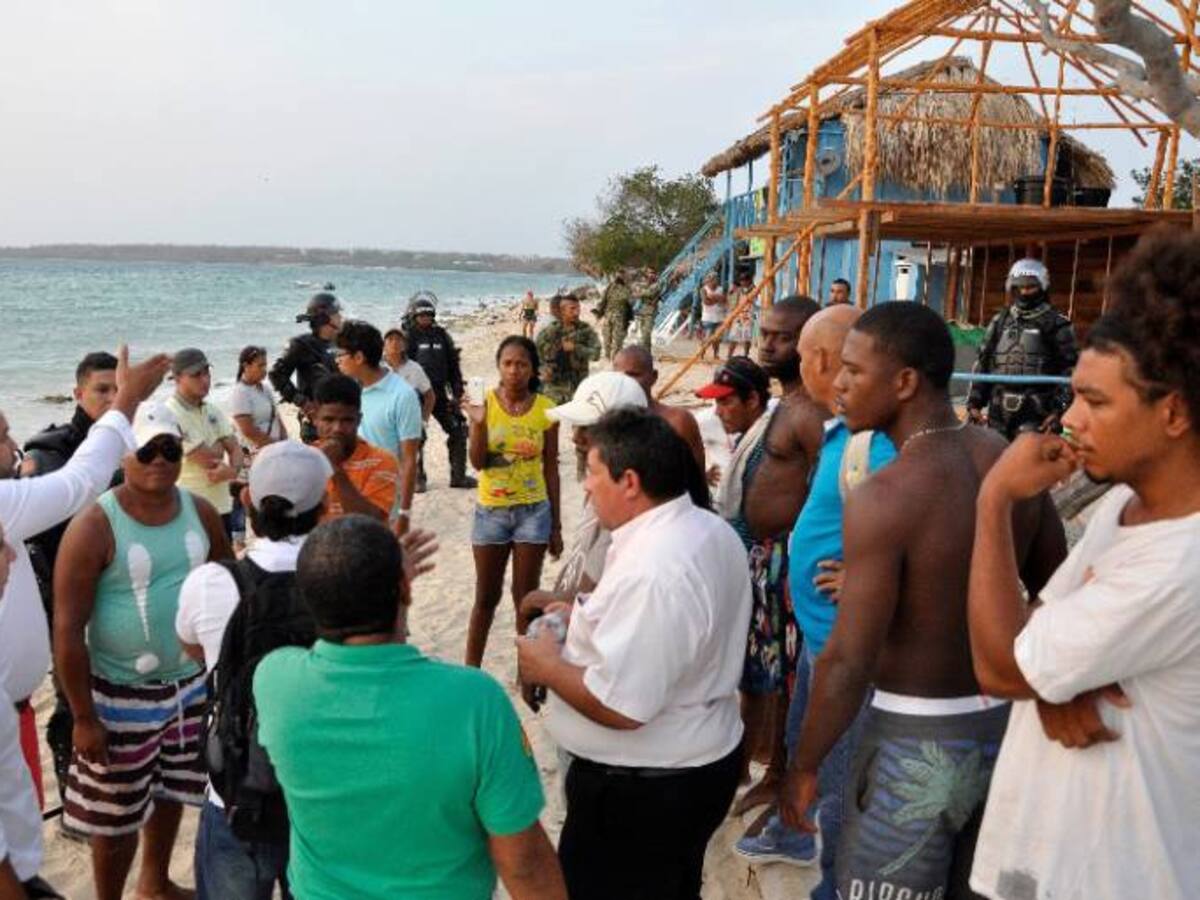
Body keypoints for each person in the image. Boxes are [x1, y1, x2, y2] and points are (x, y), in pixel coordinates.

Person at [780, 302, 1065, 900]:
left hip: (914, 736)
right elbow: (1055, 587)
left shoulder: (886, 495)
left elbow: (848, 659)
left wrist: (804, 765)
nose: (839, 385)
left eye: (855, 371)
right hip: (1004, 727)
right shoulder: (1002, 458)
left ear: (905, 382)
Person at [967, 231, 1200, 899]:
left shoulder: (1181, 561)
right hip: (1048, 863)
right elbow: (1033, 636)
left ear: (1174, 412)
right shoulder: (1126, 504)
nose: (1070, 421)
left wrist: (994, 499)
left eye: (1095, 402)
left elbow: (1001, 667)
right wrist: (1052, 682)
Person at [253, 515, 566, 899]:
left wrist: (370, 581)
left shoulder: (275, 680)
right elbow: (523, 863)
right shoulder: (474, 701)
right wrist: (387, 580)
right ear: (405, 587)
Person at [518, 409, 750, 900]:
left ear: (629, 481)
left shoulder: (656, 568)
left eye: (592, 472)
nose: (585, 487)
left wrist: (547, 667)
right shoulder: (703, 529)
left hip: (643, 794)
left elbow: (622, 707)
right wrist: (583, 614)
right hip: (686, 771)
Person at [0, 348, 169, 900]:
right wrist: (129, 399)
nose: (13, 447)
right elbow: (79, 482)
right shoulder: (27, 476)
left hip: (14, 711)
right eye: (2, 436)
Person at [737, 305, 895, 893]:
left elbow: (918, 522)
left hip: (844, 642)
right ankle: (796, 831)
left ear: (819, 359)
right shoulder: (840, 432)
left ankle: (834, 876)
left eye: (802, 352)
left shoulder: (877, 445)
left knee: (838, 766)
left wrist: (870, 574)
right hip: (817, 632)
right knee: (805, 740)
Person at [55, 401, 232, 900]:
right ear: (123, 455)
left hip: (189, 688)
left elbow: (227, 581)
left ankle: (154, 883)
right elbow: (67, 630)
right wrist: (83, 716)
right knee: (114, 817)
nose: (159, 460)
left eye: (170, 449)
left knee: (173, 790)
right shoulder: (94, 524)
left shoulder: (199, 512)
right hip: (118, 694)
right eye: (147, 450)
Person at [175, 441, 329, 900]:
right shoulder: (343, 583)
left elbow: (191, 648)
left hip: (237, 792)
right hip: (322, 791)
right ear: (324, 507)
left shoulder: (210, 582)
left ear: (247, 500)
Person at [21, 351, 122, 812]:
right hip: (63, 602)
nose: (111, 398)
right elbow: (45, 537)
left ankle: (107, 779)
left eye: (118, 390)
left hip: (115, 591)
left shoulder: (124, 446)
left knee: (113, 688)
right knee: (72, 698)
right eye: (102, 390)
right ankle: (71, 797)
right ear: (78, 393)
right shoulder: (49, 452)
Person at [465, 336, 561, 667]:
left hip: (534, 512)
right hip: (490, 511)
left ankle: (528, 674)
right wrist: (478, 424)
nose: (514, 370)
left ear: (533, 369)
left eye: (521, 364)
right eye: (507, 363)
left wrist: (556, 526)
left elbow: (551, 468)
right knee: (485, 598)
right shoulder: (483, 404)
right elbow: (478, 463)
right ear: (498, 367)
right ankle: (471, 671)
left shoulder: (547, 408)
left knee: (525, 598)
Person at [967, 258, 1079, 440]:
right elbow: (983, 362)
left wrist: (1059, 411)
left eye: (1030, 287)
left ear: (1042, 287)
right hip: (998, 407)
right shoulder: (1000, 321)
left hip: (1037, 409)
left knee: (1030, 455)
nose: (1024, 292)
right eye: (1020, 287)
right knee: (995, 454)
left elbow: (1070, 370)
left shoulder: (1057, 323)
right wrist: (974, 403)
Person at [334, 321, 421, 532]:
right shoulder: (351, 390)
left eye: (341, 354)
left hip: (384, 498)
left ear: (359, 357)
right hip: (350, 492)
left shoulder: (402, 395)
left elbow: (410, 459)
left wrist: (404, 514)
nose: (337, 360)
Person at [166, 348, 244, 538]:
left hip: (222, 506)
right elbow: (210, 459)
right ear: (177, 378)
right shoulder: (170, 413)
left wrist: (233, 470)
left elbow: (236, 449)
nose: (205, 380)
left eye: (207, 372)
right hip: (190, 511)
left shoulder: (212, 410)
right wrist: (221, 445)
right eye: (196, 375)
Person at [403, 292, 477, 490]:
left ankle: (459, 476)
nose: (425, 318)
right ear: (414, 316)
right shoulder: (408, 338)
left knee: (458, 429)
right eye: (421, 315)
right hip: (416, 396)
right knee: (415, 435)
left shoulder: (442, 336)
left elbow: (453, 365)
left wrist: (458, 392)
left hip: (440, 394)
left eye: (428, 315)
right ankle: (417, 479)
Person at [310, 375, 397, 523]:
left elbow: (370, 523)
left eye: (347, 420)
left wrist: (335, 469)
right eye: (328, 420)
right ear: (315, 419)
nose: (337, 429)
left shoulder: (381, 461)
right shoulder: (303, 460)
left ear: (359, 420)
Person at [229, 346, 287, 549]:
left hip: (271, 448)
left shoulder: (264, 388)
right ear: (246, 366)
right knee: (243, 493)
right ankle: (238, 538)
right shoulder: (240, 392)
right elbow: (247, 429)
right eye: (260, 365)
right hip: (252, 451)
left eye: (265, 365)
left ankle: (267, 531)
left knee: (268, 491)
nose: (264, 370)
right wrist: (272, 446)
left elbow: (275, 416)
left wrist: (284, 439)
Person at [612, 345, 705, 469]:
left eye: (634, 375)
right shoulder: (605, 421)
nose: (626, 381)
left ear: (654, 377)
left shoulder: (677, 422)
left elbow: (696, 475)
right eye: (619, 376)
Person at [269, 292, 343, 442]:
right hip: (316, 426)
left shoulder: (341, 343)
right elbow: (276, 374)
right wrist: (302, 402)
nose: (341, 317)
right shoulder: (301, 345)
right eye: (336, 313)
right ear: (324, 318)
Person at [595, 272, 633, 361]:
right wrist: (599, 313)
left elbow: (603, 301)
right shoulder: (618, 288)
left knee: (612, 338)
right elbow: (604, 300)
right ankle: (611, 357)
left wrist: (600, 313)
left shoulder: (615, 287)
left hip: (614, 316)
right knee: (611, 338)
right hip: (614, 317)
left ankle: (611, 357)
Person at [725, 271, 756, 359]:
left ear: (749, 280)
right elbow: (732, 302)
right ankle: (729, 355)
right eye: (741, 280)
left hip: (749, 315)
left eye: (744, 280)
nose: (743, 282)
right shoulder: (739, 290)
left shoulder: (755, 289)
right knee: (734, 336)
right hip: (739, 315)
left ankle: (746, 355)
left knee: (746, 337)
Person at [699, 272, 728, 360]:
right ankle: (701, 353)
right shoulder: (703, 289)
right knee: (708, 337)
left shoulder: (721, 289)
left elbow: (724, 300)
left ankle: (715, 354)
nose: (715, 281)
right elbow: (706, 302)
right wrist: (718, 298)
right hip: (708, 317)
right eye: (713, 279)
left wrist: (713, 297)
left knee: (717, 338)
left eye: (716, 279)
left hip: (719, 317)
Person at [633, 267, 661, 353]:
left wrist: (639, 293)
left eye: (652, 273)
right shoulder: (646, 284)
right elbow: (635, 288)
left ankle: (646, 352)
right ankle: (647, 353)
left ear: (655, 275)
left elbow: (649, 293)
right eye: (649, 273)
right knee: (644, 335)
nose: (650, 275)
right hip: (642, 312)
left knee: (646, 334)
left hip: (650, 312)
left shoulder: (657, 285)